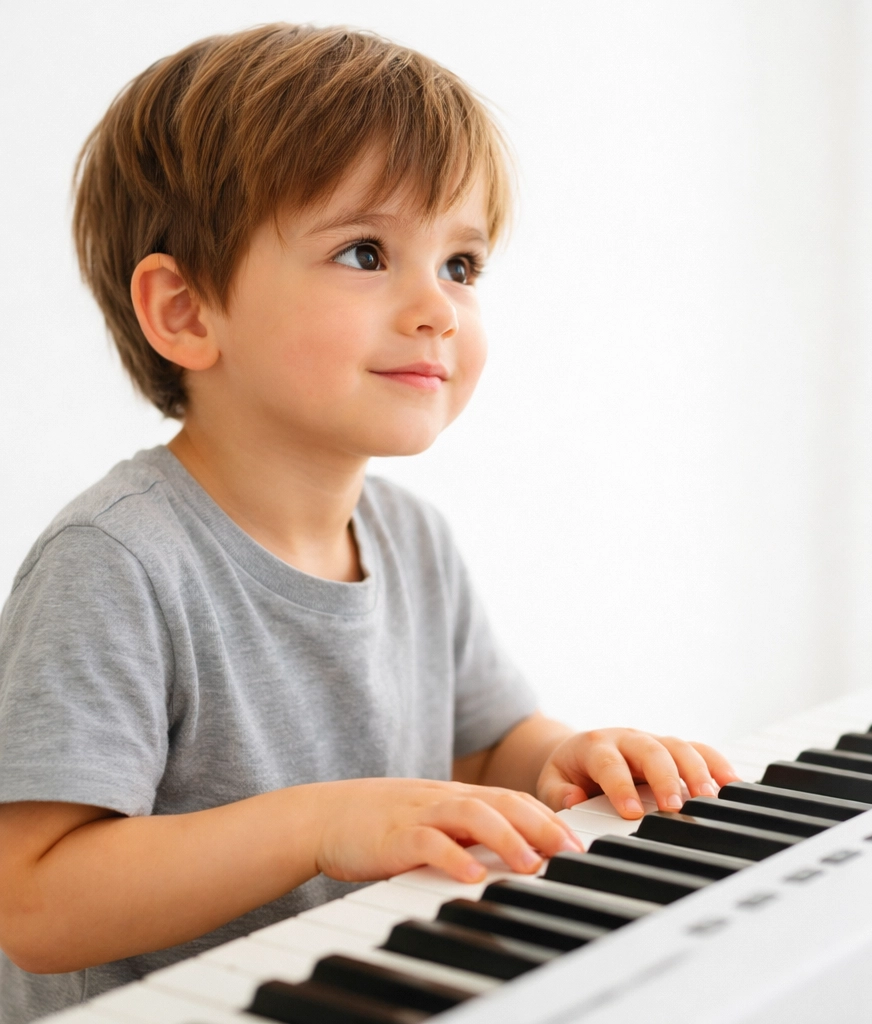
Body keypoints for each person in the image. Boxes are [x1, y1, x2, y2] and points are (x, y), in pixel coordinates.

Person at [0, 24, 738, 1023]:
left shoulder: (411, 538)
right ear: (184, 311)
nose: (437, 307)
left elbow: (477, 748)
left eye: (463, 265)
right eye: (365, 252)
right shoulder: (119, 561)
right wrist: (321, 825)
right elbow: (35, 897)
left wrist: (562, 758)